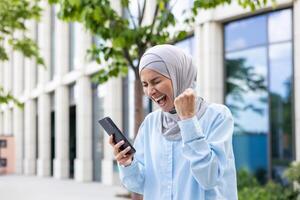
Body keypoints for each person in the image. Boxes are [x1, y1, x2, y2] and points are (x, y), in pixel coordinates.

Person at [109, 44, 238, 200]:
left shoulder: (217, 116)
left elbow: (209, 178)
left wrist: (188, 121)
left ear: (178, 76)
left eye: (156, 81)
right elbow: (140, 184)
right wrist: (128, 163)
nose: (150, 91)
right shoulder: (151, 122)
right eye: (145, 84)